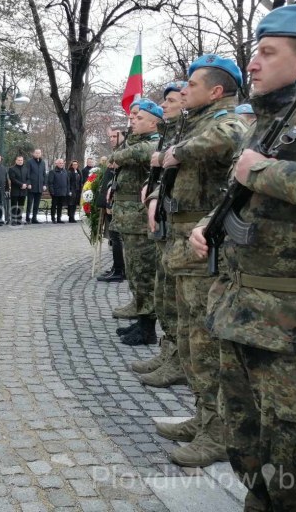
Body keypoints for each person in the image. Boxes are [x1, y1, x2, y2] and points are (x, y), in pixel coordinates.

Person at [189, 4, 296, 510]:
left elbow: (254, 176)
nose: (254, 64)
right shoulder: (271, 119)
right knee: (247, 448)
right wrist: (209, 227)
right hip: (242, 312)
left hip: (293, 329)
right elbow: (241, 193)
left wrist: (260, 173)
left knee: (294, 470)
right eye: (254, 51)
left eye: (267, 53)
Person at [147, 53, 247, 467]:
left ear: (216, 91)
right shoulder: (194, 120)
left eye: (192, 85)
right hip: (182, 244)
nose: (183, 91)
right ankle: (204, 418)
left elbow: (231, 134)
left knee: (206, 347)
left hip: (203, 250)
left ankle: (218, 433)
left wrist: (177, 152)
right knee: (190, 343)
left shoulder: (224, 121)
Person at [134, 81, 188, 388]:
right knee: (165, 297)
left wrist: (169, 153)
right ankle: (170, 354)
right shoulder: (176, 133)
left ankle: (177, 361)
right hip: (170, 225)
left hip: (186, 230)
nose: (165, 104)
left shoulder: (195, 131)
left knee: (177, 304)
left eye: (171, 100)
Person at [109, 99, 163, 346]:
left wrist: (119, 153)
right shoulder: (138, 140)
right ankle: (142, 321)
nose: (133, 120)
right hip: (129, 220)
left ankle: (148, 328)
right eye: (133, 117)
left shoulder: (154, 143)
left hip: (141, 221)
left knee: (144, 273)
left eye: (139, 117)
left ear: (154, 122)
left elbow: (129, 155)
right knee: (135, 272)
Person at [98, 132, 127, 286]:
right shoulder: (116, 153)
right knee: (114, 237)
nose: (111, 139)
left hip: (117, 201)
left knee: (116, 237)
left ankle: (119, 270)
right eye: (109, 137)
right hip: (111, 199)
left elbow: (118, 181)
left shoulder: (124, 153)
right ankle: (117, 267)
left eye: (115, 136)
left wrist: (110, 202)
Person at [25, 149, 47, 224]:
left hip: (39, 186)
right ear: (33, 154)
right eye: (36, 153)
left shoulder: (43, 163)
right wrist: (28, 183)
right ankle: (28, 218)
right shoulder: (29, 162)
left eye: (39, 153)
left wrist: (44, 184)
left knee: (36, 204)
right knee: (30, 203)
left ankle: (34, 218)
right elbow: (27, 174)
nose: (38, 154)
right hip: (31, 186)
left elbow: (44, 174)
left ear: (41, 154)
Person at [7, 155, 29, 225]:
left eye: (21, 160)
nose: (20, 161)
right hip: (15, 190)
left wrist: (26, 184)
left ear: (23, 161)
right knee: (14, 206)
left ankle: (19, 220)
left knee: (21, 206)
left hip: (23, 191)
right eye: (19, 160)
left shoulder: (26, 169)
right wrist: (21, 185)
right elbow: (13, 179)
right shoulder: (12, 169)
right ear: (16, 161)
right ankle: (13, 220)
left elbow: (28, 178)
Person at [47, 158, 70, 223]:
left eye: (62, 163)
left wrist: (67, 191)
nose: (61, 164)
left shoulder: (65, 171)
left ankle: (59, 218)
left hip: (63, 192)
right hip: (55, 192)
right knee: (54, 205)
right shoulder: (52, 172)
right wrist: (52, 191)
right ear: (56, 163)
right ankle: (53, 218)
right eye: (60, 163)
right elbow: (50, 183)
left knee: (60, 206)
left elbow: (68, 182)